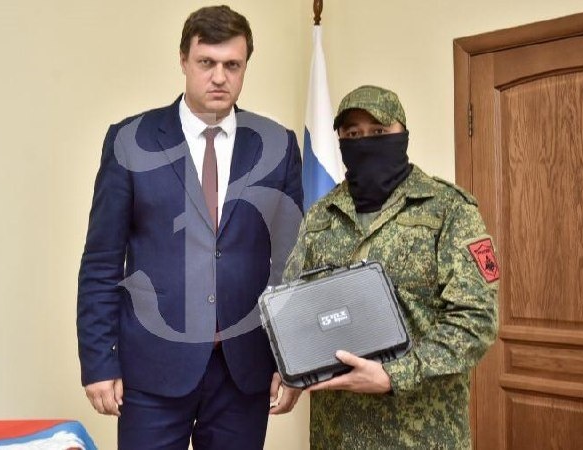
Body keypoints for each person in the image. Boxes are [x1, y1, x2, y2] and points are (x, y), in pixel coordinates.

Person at [76, 5, 304, 450]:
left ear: (245, 67)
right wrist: (99, 361)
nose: (219, 77)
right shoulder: (131, 140)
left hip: (244, 371)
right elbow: (102, 261)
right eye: (206, 63)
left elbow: (290, 265)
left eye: (232, 65)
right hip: (152, 370)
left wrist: (291, 358)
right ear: (183, 60)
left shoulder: (278, 145)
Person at [283, 85, 500, 449]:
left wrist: (394, 375)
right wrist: (291, 367)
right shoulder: (322, 215)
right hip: (337, 432)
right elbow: (296, 307)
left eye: (379, 131)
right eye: (353, 135)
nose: (365, 142)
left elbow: (476, 319)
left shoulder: (448, 209)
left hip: (420, 433)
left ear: (403, 134)